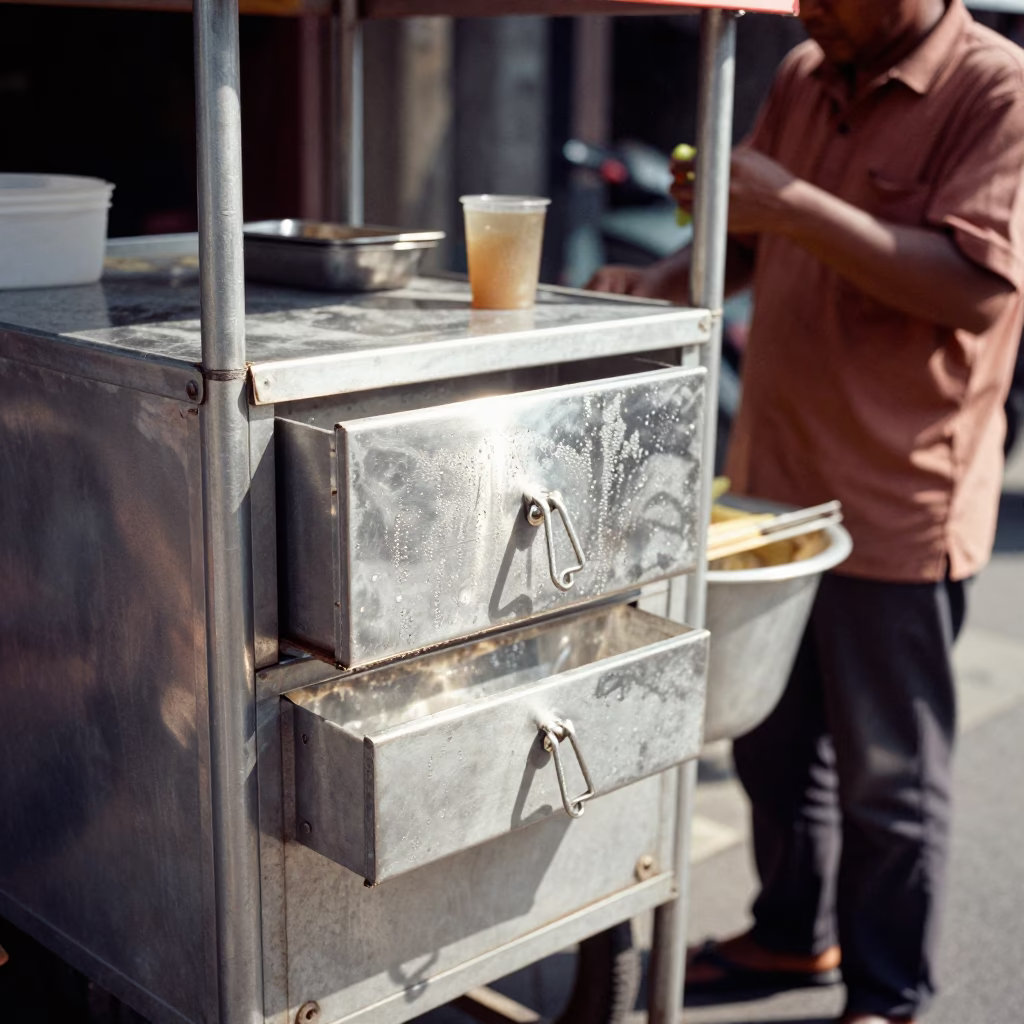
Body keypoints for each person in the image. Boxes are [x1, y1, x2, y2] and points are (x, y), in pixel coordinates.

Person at [588, 2, 1024, 1023]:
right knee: (772, 742)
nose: (806, 7)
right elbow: (750, 237)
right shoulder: (805, 72)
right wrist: (664, 274)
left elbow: (973, 288)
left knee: (886, 773)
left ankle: (887, 991)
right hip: (773, 477)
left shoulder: (995, 88)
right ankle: (793, 934)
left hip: (896, 491)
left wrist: (791, 204)